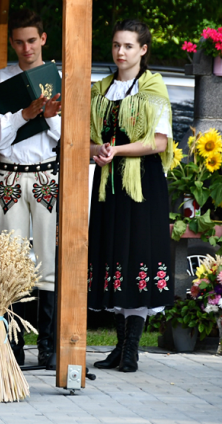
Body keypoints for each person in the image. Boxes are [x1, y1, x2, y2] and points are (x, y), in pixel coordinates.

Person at [88, 20, 174, 373]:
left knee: (136, 252)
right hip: (108, 182)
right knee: (112, 255)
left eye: (127, 46)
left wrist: (116, 151)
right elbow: (83, 138)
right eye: (116, 46)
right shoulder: (100, 89)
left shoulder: (153, 86)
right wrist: (98, 149)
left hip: (142, 185)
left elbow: (159, 141)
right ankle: (120, 346)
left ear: (143, 50)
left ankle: (133, 349)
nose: (120, 52)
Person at [0, 9, 62, 368]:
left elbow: (69, 137)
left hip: (46, 174)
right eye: (19, 41)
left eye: (32, 40)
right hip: (10, 175)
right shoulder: (0, 79)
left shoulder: (58, 76)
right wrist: (24, 115)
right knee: (11, 259)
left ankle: (47, 346)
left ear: (43, 39)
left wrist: (49, 115)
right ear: (11, 42)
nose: (26, 47)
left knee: (46, 258)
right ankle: (13, 345)